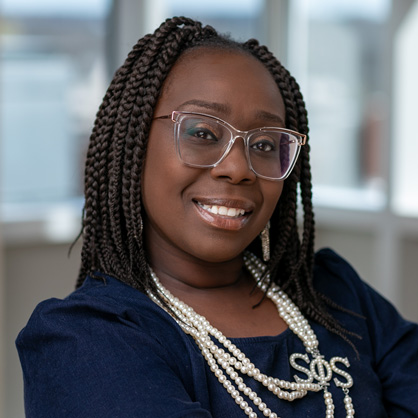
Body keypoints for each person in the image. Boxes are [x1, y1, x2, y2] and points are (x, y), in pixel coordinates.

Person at [16, 16, 418, 418]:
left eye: (265, 143)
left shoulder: (334, 292)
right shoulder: (86, 339)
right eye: (203, 133)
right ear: (134, 144)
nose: (238, 168)